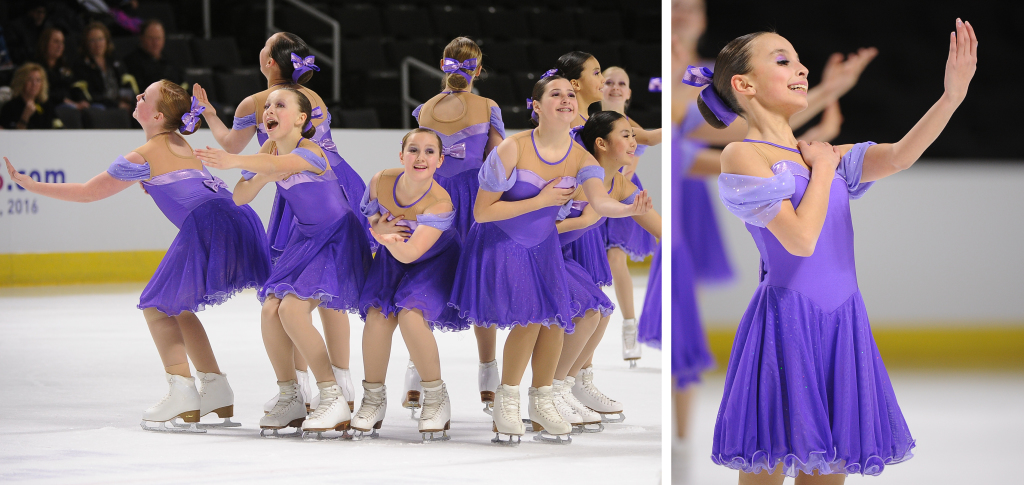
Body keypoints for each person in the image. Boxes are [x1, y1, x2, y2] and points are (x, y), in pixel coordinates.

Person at [705, 20, 976, 482]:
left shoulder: (821, 154)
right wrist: (826, 168)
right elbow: (800, 240)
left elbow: (899, 156)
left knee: (830, 469)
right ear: (743, 84)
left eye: (798, 60)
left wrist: (951, 96)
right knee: (768, 464)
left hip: (844, 322)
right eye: (783, 60)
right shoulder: (743, 154)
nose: (802, 68)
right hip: (787, 323)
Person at [4, 80, 271, 432]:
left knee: (156, 306)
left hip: (209, 222)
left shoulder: (142, 155)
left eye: (145, 96)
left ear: (157, 114)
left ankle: (183, 392)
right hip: (239, 216)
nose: (137, 96)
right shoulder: (180, 143)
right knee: (177, 306)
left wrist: (31, 184)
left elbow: (88, 193)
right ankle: (216, 389)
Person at [449, 75, 651, 444]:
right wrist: (541, 202)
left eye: (570, 95)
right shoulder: (512, 148)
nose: (566, 99)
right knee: (530, 319)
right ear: (536, 106)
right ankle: (506, 400)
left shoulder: (581, 158)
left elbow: (600, 200)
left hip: (542, 248)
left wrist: (626, 209)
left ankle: (542, 400)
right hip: (499, 242)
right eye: (555, 94)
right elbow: (482, 212)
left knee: (556, 318)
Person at [193, 32, 369, 413]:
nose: (270, 110)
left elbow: (238, 149)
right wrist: (248, 172)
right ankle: (324, 385)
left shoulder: (257, 105)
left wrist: (220, 132)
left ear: (270, 61)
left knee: (306, 298)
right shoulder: (306, 103)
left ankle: (321, 388)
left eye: (265, 45)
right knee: (306, 300)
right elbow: (254, 177)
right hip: (324, 188)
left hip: (317, 195)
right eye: (269, 108)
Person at [407, 36, 505, 416]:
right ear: (477, 69)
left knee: (432, 277)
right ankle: (487, 373)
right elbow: (501, 158)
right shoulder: (485, 105)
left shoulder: (425, 108)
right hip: (461, 198)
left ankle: (420, 372)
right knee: (463, 279)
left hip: (442, 198)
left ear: (444, 64)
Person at [353, 128, 467, 441]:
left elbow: (412, 252)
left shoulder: (439, 203)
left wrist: (381, 236)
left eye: (430, 151)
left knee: (410, 316)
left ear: (440, 160)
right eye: (413, 150)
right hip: (394, 253)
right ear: (401, 155)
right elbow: (372, 217)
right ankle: (372, 399)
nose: (420, 157)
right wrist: (379, 227)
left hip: (434, 260)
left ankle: (435, 397)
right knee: (378, 315)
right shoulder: (380, 181)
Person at [552, 110, 663, 430]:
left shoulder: (620, 182)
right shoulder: (577, 174)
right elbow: (543, 224)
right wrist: (590, 219)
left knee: (601, 309)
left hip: (563, 252)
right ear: (601, 143)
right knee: (591, 310)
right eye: (626, 135)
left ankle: (567, 385)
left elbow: (658, 227)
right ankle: (551, 390)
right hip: (539, 250)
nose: (634, 142)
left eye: (633, 134)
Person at [556, 52, 662, 370]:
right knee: (584, 296)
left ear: (629, 92)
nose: (609, 85)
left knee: (611, 263)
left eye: (618, 82)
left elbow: (649, 140)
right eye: (602, 76)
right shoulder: (576, 122)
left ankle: (581, 372)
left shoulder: (620, 126)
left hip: (614, 193)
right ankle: (561, 380)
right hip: (578, 203)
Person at [72, 21, 137, 109]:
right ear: (86, 43)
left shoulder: (115, 61)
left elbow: (126, 83)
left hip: (121, 104)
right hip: (101, 107)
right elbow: (90, 95)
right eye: (92, 40)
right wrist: (115, 104)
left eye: (100, 39)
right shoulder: (82, 65)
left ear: (107, 41)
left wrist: (128, 100)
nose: (97, 44)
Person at [34, 27, 85, 110]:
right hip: (50, 107)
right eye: (56, 41)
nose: (60, 46)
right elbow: (41, 93)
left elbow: (75, 85)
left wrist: (82, 100)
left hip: (72, 105)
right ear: (45, 43)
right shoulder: (36, 68)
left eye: (62, 42)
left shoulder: (65, 67)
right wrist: (64, 100)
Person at [123, 19, 182, 89]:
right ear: (141, 38)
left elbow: (184, 87)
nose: (155, 43)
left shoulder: (170, 62)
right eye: (151, 38)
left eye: (158, 38)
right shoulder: (131, 63)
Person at [0, 63, 58, 129]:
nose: (34, 84)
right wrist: (25, 116)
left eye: (38, 80)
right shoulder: (9, 107)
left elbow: (58, 128)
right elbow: (8, 136)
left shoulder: (46, 105)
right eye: (30, 79)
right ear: (21, 82)